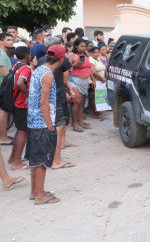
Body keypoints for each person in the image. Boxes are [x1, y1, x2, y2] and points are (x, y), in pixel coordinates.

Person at [27, 44, 64, 204]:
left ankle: (35, 191)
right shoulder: (48, 75)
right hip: (42, 122)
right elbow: (44, 102)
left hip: (33, 120)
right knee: (42, 160)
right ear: (61, 60)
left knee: (34, 159)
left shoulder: (38, 70)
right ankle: (40, 196)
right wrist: (50, 125)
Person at [37, 37, 76, 169]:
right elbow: (65, 79)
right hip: (57, 97)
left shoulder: (41, 61)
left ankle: (49, 158)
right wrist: (68, 90)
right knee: (58, 130)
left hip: (45, 99)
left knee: (49, 130)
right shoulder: (62, 61)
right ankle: (56, 160)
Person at [7, 47, 32, 170]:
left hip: (15, 102)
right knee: (23, 131)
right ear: (27, 56)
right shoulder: (26, 68)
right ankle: (16, 163)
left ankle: (13, 157)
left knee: (19, 130)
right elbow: (20, 83)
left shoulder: (15, 65)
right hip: (22, 103)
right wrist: (27, 95)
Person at [68, 39, 93, 132]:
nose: (83, 48)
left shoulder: (86, 54)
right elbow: (66, 68)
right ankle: (74, 123)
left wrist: (92, 80)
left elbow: (90, 68)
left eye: (84, 46)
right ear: (76, 46)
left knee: (82, 101)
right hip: (74, 80)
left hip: (85, 80)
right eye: (81, 46)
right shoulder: (71, 55)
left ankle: (80, 121)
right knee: (77, 101)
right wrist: (76, 64)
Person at [0, 32, 15, 145]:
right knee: (4, 112)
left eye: (12, 39)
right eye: (8, 39)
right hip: (3, 86)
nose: (11, 41)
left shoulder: (3, 53)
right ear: (1, 41)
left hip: (3, 86)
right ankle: (3, 138)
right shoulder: (1, 54)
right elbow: (5, 74)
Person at [88, 46, 108, 120]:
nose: (96, 53)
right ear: (91, 53)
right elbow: (93, 71)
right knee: (94, 98)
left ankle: (98, 112)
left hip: (100, 81)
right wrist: (102, 78)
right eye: (95, 52)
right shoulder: (91, 59)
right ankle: (95, 113)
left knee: (99, 97)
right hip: (93, 81)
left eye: (97, 52)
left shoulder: (98, 59)